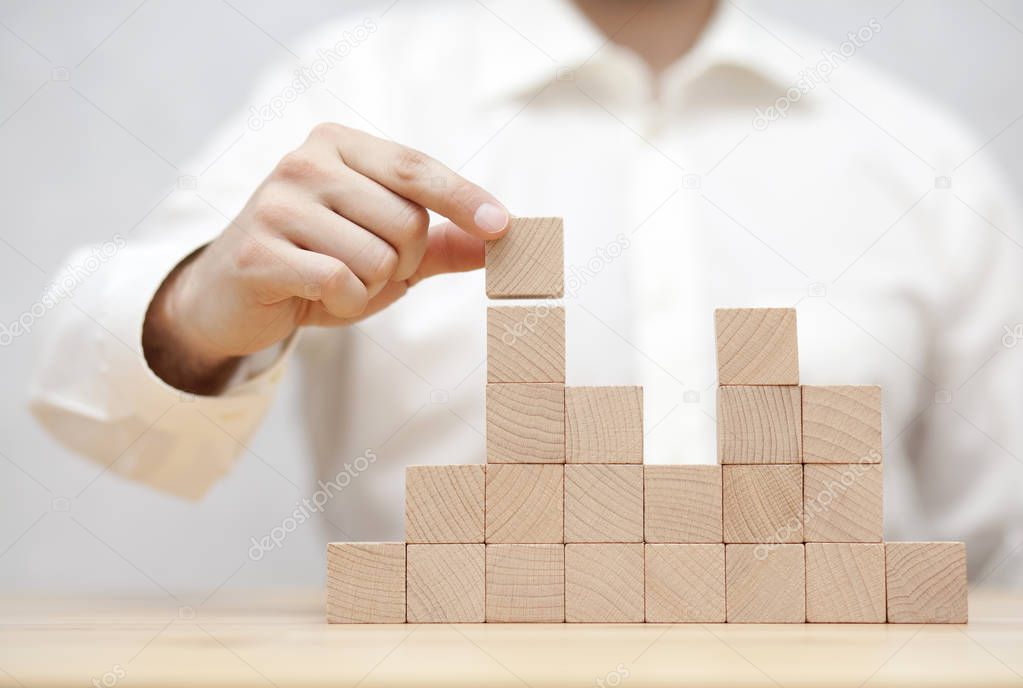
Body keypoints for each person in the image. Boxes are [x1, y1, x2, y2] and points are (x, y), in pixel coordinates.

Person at [30, 0, 1023, 585]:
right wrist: (205, 305)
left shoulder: (919, 153)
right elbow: (99, 409)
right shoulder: (362, 82)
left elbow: (993, 539)